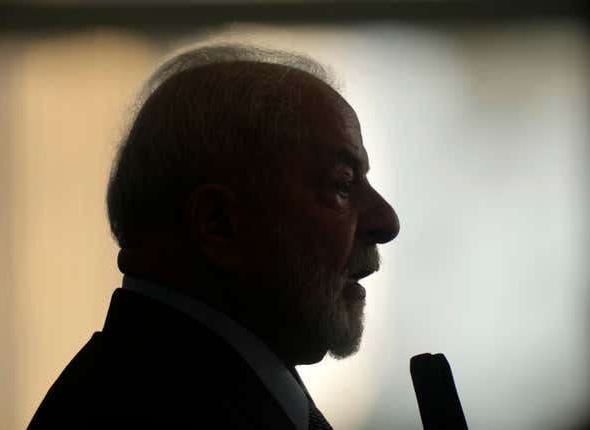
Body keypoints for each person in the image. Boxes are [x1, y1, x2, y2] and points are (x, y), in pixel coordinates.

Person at [28, 44, 400, 429]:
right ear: (219, 223)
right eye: (342, 183)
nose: (387, 221)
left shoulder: (147, 386)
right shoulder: (140, 413)